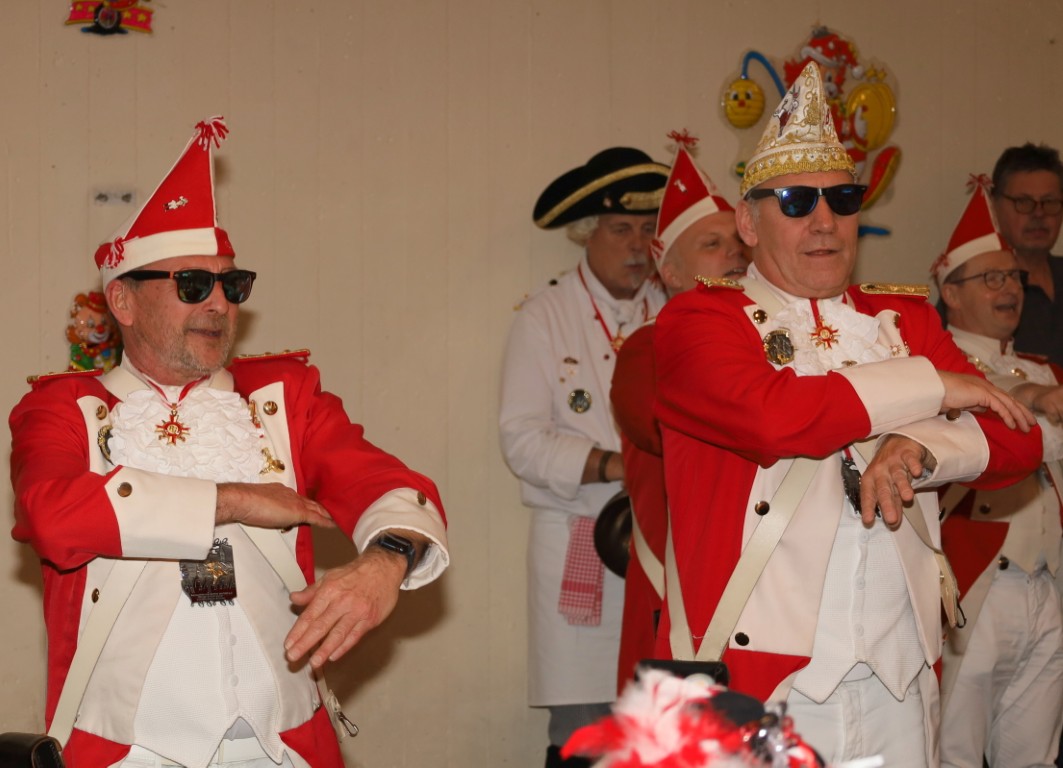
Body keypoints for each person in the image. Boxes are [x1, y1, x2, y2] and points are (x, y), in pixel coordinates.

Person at [9, 117, 449, 768]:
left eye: (231, 285)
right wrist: (233, 500)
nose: (218, 304)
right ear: (123, 302)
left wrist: (387, 560)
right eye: (193, 285)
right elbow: (52, 515)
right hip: (129, 749)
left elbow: (388, 485)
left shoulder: (284, 399)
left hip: (283, 743)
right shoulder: (62, 408)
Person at [650, 63, 1042, 767]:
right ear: (747, 221)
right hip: (758, 682)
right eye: (796, 200)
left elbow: (1017, 439)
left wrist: (917, 448)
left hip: (900, 677)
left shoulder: (901, 319)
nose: (824, 220)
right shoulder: (697, 322)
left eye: (843, 197)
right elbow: (774, 419)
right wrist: (933, 386)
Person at [498, 146, 669, 768]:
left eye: (648, 229)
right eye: (621, 229)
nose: (638, 246)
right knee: (585, 735)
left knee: (659, 727)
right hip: (581, 541)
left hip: (662, 546)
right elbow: (521, 440)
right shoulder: (543, 316)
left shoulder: (672, 311)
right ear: (585, 234)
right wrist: (619, 464)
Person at [609, 145, 748, 692]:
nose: (734, 253)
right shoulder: (648, 348)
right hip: (678, 594)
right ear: (668, 269)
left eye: (739, 243)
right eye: (712, 244)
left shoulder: (773, 345)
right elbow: (668, 432)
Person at [934, 178, 1063, 768]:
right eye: (991, 278)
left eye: (1013, 277)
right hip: (975, 586)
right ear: (951, 293)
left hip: (1046, 583)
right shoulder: (933, 366)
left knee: (1034, 755)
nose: (1009, 288)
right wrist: (1035, 398)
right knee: (953, 750)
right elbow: (997, 402)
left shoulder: (1041, 366)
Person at [991, 143, 1063, 365]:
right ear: (993, 205)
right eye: (1024, 202)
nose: (1039, 213)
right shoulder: (976, 289)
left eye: (1049, 202)